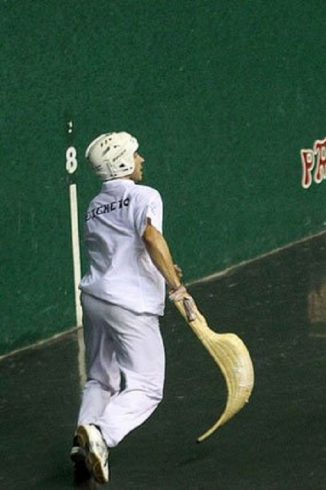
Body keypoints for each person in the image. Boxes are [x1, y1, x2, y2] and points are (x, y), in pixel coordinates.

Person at [70, 131, 195, 482]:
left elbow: (123, 251)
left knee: (100, 377)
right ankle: (100, 435)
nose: (142, 161)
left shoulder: (96, 205)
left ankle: (82, 442)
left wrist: (163, 269)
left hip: (95, 298)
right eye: (137, 155)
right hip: (129, 305)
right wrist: (177, 288)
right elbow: (151, 238)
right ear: (122, 162)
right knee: (147, 386)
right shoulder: (144, 195)